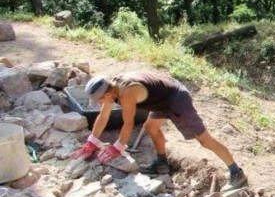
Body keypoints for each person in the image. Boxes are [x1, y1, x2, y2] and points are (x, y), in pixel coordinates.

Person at [73, 72, 247, 190]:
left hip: (176, 99)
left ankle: (236, 172)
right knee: (150, 126)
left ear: (107, 95)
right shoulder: (112, 89)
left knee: (203, 139)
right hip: (162, 99)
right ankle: (161, 163)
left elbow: (128, 123)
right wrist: (91, 142)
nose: (101, 104)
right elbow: (102, 117)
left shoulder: (126, 93)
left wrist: (118, 147)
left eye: (101, 101)